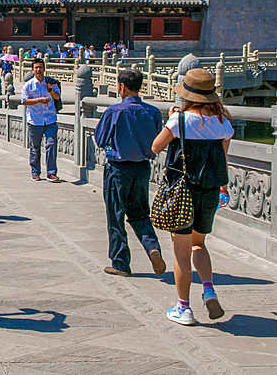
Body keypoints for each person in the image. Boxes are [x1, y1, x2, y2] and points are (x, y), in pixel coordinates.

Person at [151, 68, 232, 326]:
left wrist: (170, 118)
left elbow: (156, 146)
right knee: (200, 244)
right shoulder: (223, 123)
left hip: (182, 193)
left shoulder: (180, 120)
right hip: (209, 192)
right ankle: (208, 289)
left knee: (181, 252)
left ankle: (183, 308)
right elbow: (223, 157)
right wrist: (223, 188)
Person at [94, 69, 166, 278]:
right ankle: (152, 247)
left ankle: (121, 263)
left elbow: (100, 139)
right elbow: (156, 143)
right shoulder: (152, 112)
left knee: (116, 216)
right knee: (140, 213)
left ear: (121, 87)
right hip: (143, 169)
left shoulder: (114, 111)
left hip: (118, 169)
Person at [19, 58, 61, 181]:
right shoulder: (28, 85)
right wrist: (38, 100)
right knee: (35, 147)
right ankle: (35, 171)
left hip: (50, 119)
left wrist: (51, 90)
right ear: (32, 70)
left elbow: (57, 97)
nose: (38, 70)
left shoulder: (51, 83)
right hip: (35, 120)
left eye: (40, 67)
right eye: (36, 67)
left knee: (51, 144)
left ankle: (51, 172)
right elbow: (24, 101)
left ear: (44, 68)